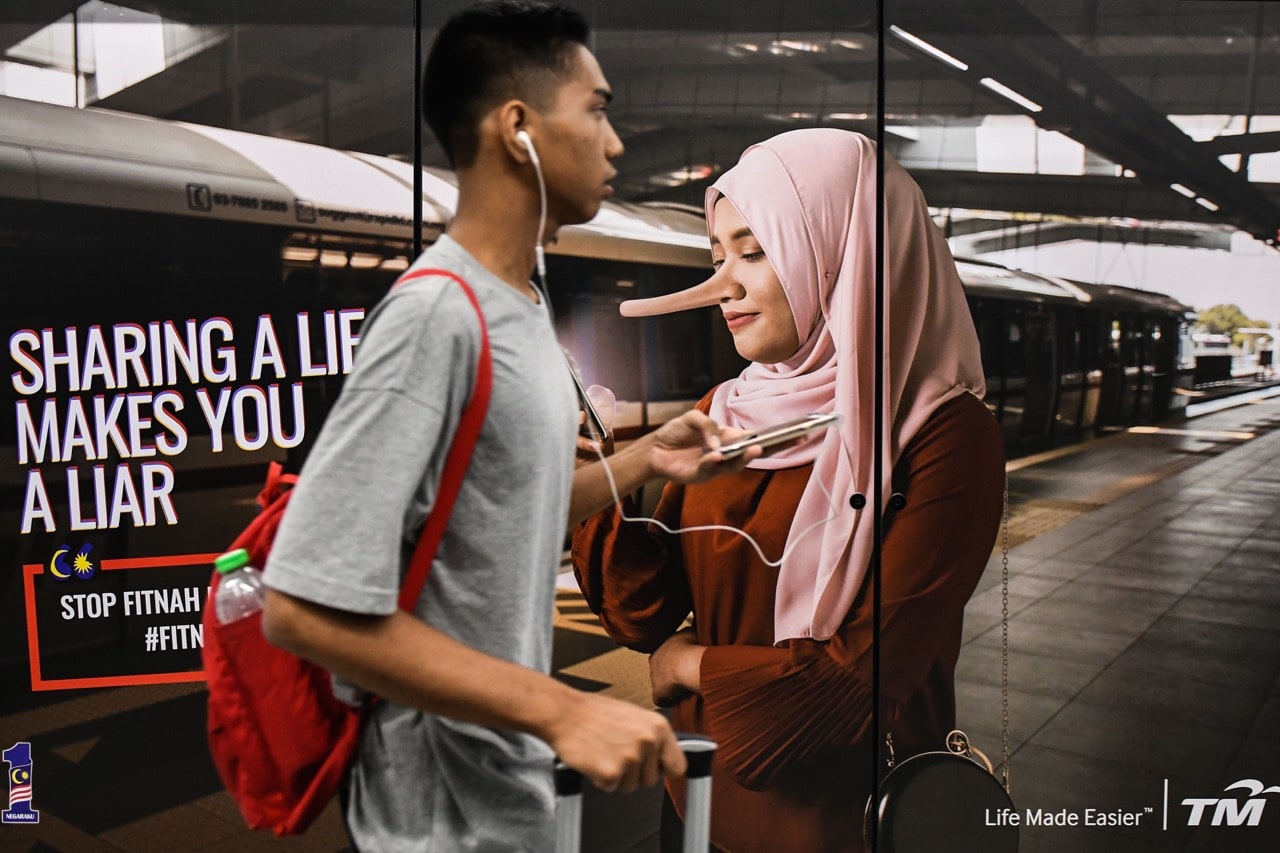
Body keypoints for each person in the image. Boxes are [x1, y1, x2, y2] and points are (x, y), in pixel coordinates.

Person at [260, 3, 757, 850]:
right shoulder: (436, 317)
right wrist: (565, 708)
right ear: (518, 129)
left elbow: (506, 514)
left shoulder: (522, 307)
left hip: (506, 803)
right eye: (596, 109)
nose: (616, 142)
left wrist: (641, 460)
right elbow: (302, 604)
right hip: (434, 822)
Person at [572, 128, 1006, 852]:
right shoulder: (724, 411)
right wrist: (600, 472)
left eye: (754, 250)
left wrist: (688, 664)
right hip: (695, 799)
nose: (724, 287)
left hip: (844, 820)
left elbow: (858, 681)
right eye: (715, 259)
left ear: (845, 250)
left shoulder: (945, 434)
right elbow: (642, 611)